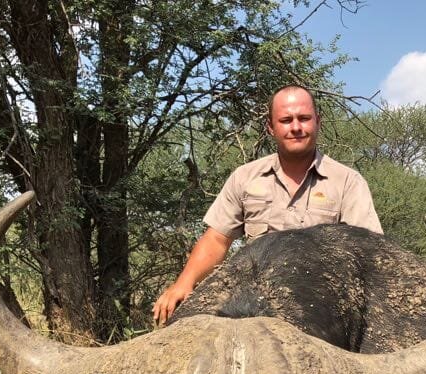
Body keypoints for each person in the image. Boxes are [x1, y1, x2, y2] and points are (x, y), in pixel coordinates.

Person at [152, 85, 382, 324]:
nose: (296, 127)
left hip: (324, 304)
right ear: (271, 127)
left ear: (318, 122)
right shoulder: (245, 177)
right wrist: (183, 283)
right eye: (286, 120)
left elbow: (370, 252)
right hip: (255, 299)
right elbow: (217, 240)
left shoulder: (348, 182)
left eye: (304, 118)